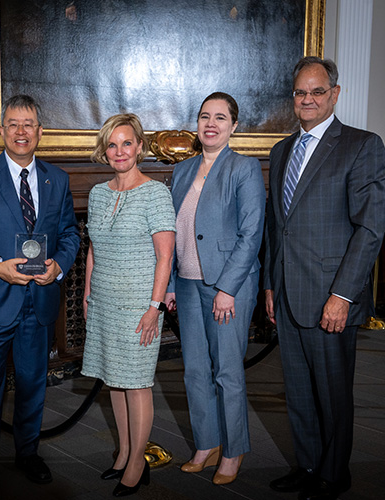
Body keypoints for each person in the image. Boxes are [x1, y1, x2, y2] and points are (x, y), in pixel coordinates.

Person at [0, 94, 80, 499]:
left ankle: (27, 453)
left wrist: (59, 263)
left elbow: (71, 233)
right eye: (13, 124)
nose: (21, 132)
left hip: (39, 303)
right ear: (1, 130)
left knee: (32, 384)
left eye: (29, 125)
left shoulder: (57, 180)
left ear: (40, 132)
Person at [264, 57, 385, 500]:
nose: (308, 99)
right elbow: (278, 227)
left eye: (317, 91)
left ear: (334, 94)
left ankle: (335, 474)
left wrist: (342, 295)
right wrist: (271, 285)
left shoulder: (362, 145)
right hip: (290, 293)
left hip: (331, 295)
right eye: (300, 93)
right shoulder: (281, 151)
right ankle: (309, 463)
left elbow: (370, 229)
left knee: (332, 394)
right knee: (297, 390)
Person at [164, 92, 266, 486]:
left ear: (233, 126)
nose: (211, 123)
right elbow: (173, 232)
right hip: (187, 286)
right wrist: (171, 282)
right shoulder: (183, 170)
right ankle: (206, 445)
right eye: (205, 116)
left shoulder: (243, 168)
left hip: (229, 288)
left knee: (227, 372)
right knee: (194, 371)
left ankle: (234, 449)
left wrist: (227, 288)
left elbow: (251, 233)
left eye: (220, 117)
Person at [82, 113, 175, 497]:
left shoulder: (156, 193)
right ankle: (123, 452)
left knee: (136, 383)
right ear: (105, 151)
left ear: (139, 146)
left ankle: (138, 460)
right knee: (114, 381)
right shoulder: (98, 193)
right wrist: (88, 296)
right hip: (104, 300)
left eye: (127, 143)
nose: (119, 151)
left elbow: (165, 257)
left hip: (139, 305)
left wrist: (155, 307)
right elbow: (93, 249)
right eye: (112, 144)